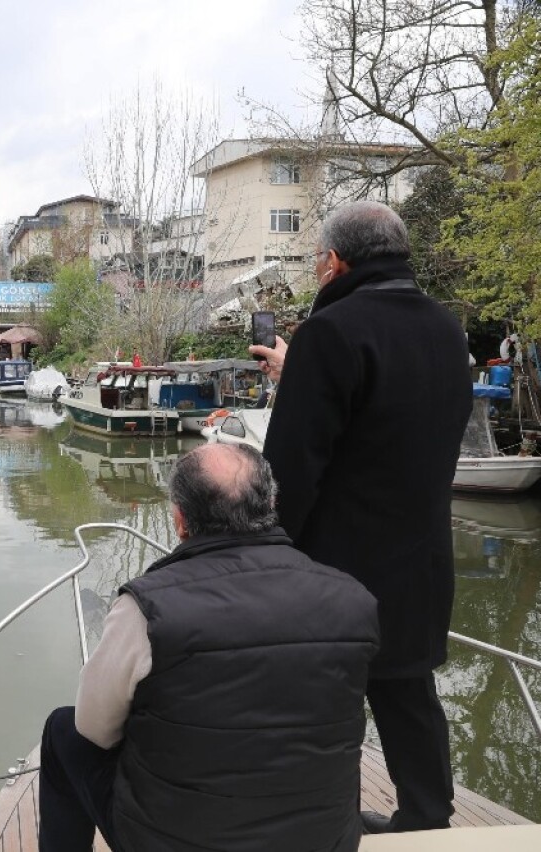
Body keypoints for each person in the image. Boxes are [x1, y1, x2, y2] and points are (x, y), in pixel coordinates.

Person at [249, 200, 472, 834]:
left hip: (339, 566)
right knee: (407, 690)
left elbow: (290, 466)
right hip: (423, 555)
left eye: (319, 259)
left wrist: (265, 555)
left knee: (327, 701)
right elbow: (389, 415)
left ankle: (327, 823)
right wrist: (305, 372)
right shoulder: (445, 327)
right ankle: (427, 820)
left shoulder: (332, 332)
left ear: (335, 261)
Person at [37, 443, 379, 852]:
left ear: (180, 520)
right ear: (270, 502)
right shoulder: (353, 599)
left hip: (174, 841)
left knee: (64, 729)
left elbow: (95, 728)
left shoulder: (147, 607)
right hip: (325, 841)